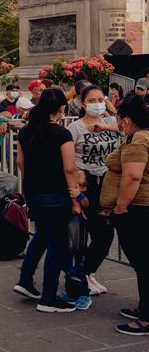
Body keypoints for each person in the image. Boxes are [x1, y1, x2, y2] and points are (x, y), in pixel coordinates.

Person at [13, 88, 81, 313]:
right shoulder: (61, 134)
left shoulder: (25, 131)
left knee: (41, 235)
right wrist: (76, 197)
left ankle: (25, 279)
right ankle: (49, 296)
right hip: (57, 194)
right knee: (57, 244)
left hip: (33, 192)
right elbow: (70, 168)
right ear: (62, 108)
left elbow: (21, 163)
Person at [99, 94, 149, 335]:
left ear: (126, 120)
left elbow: (132, 176)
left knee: (143, 262)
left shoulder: (138, 140)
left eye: (118, 119)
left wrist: (120, 206)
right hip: (139, 208)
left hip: (138, 209)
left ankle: (147, 318)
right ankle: (144, 307)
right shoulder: (142, 136)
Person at [67, 85, 120, 296]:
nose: (97, 104)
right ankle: (80, 275)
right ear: (82, 103)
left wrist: (107, 124)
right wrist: (74, 188)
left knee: (105, 233)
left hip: (108, 183)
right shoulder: (75, 128)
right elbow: (67, 160)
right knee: (94, 233)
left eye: (100, 99)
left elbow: (128, 128)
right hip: (87, 184)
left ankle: (86, 273)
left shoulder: (109, 122)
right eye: (92, 100)